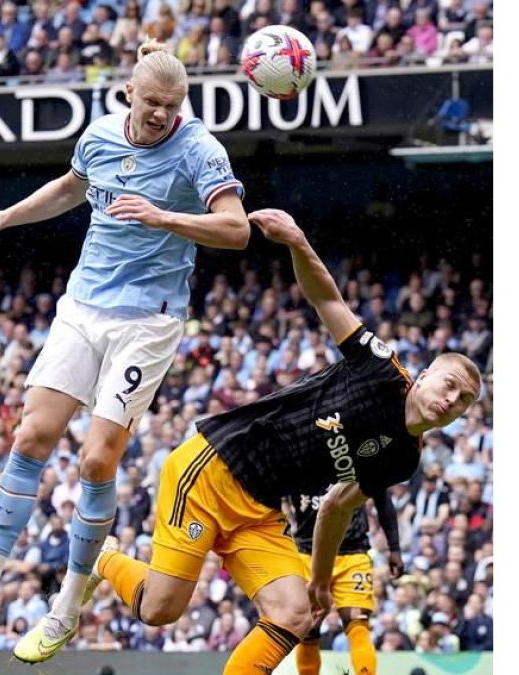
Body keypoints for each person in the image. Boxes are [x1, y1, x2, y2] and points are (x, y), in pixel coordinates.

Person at [0, 38, 250, 664]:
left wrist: (166, 218)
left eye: (172, 105)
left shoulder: (199, 151)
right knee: (31, 437)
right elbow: (70, 187)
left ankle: (65, 609)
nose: (160, 115)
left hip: (148, 321)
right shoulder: (101, 135)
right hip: (82, 306)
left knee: (98, 461)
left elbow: (237, 230)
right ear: (128, 93)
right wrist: (4, 219)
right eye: (151, 103)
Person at [88, 208, 481, 674]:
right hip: (216, 466)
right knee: (160, 610)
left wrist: (318, 582)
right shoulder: (380, 371)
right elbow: (328, 301)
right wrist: (297, 241)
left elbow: (337, 507)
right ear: (424, 376)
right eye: (449, 384)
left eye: (464, 400)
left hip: (261, 508)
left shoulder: (402, 459)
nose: (451, 399)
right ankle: (106, 557)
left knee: (295, 612)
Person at [287, 494, 404, 675]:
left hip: (352, 552)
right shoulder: (293, 465)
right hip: (307, 552)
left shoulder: (360, 464)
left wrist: (394, 547)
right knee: (308, 626)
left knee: (357, 622)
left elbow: (383, 498)